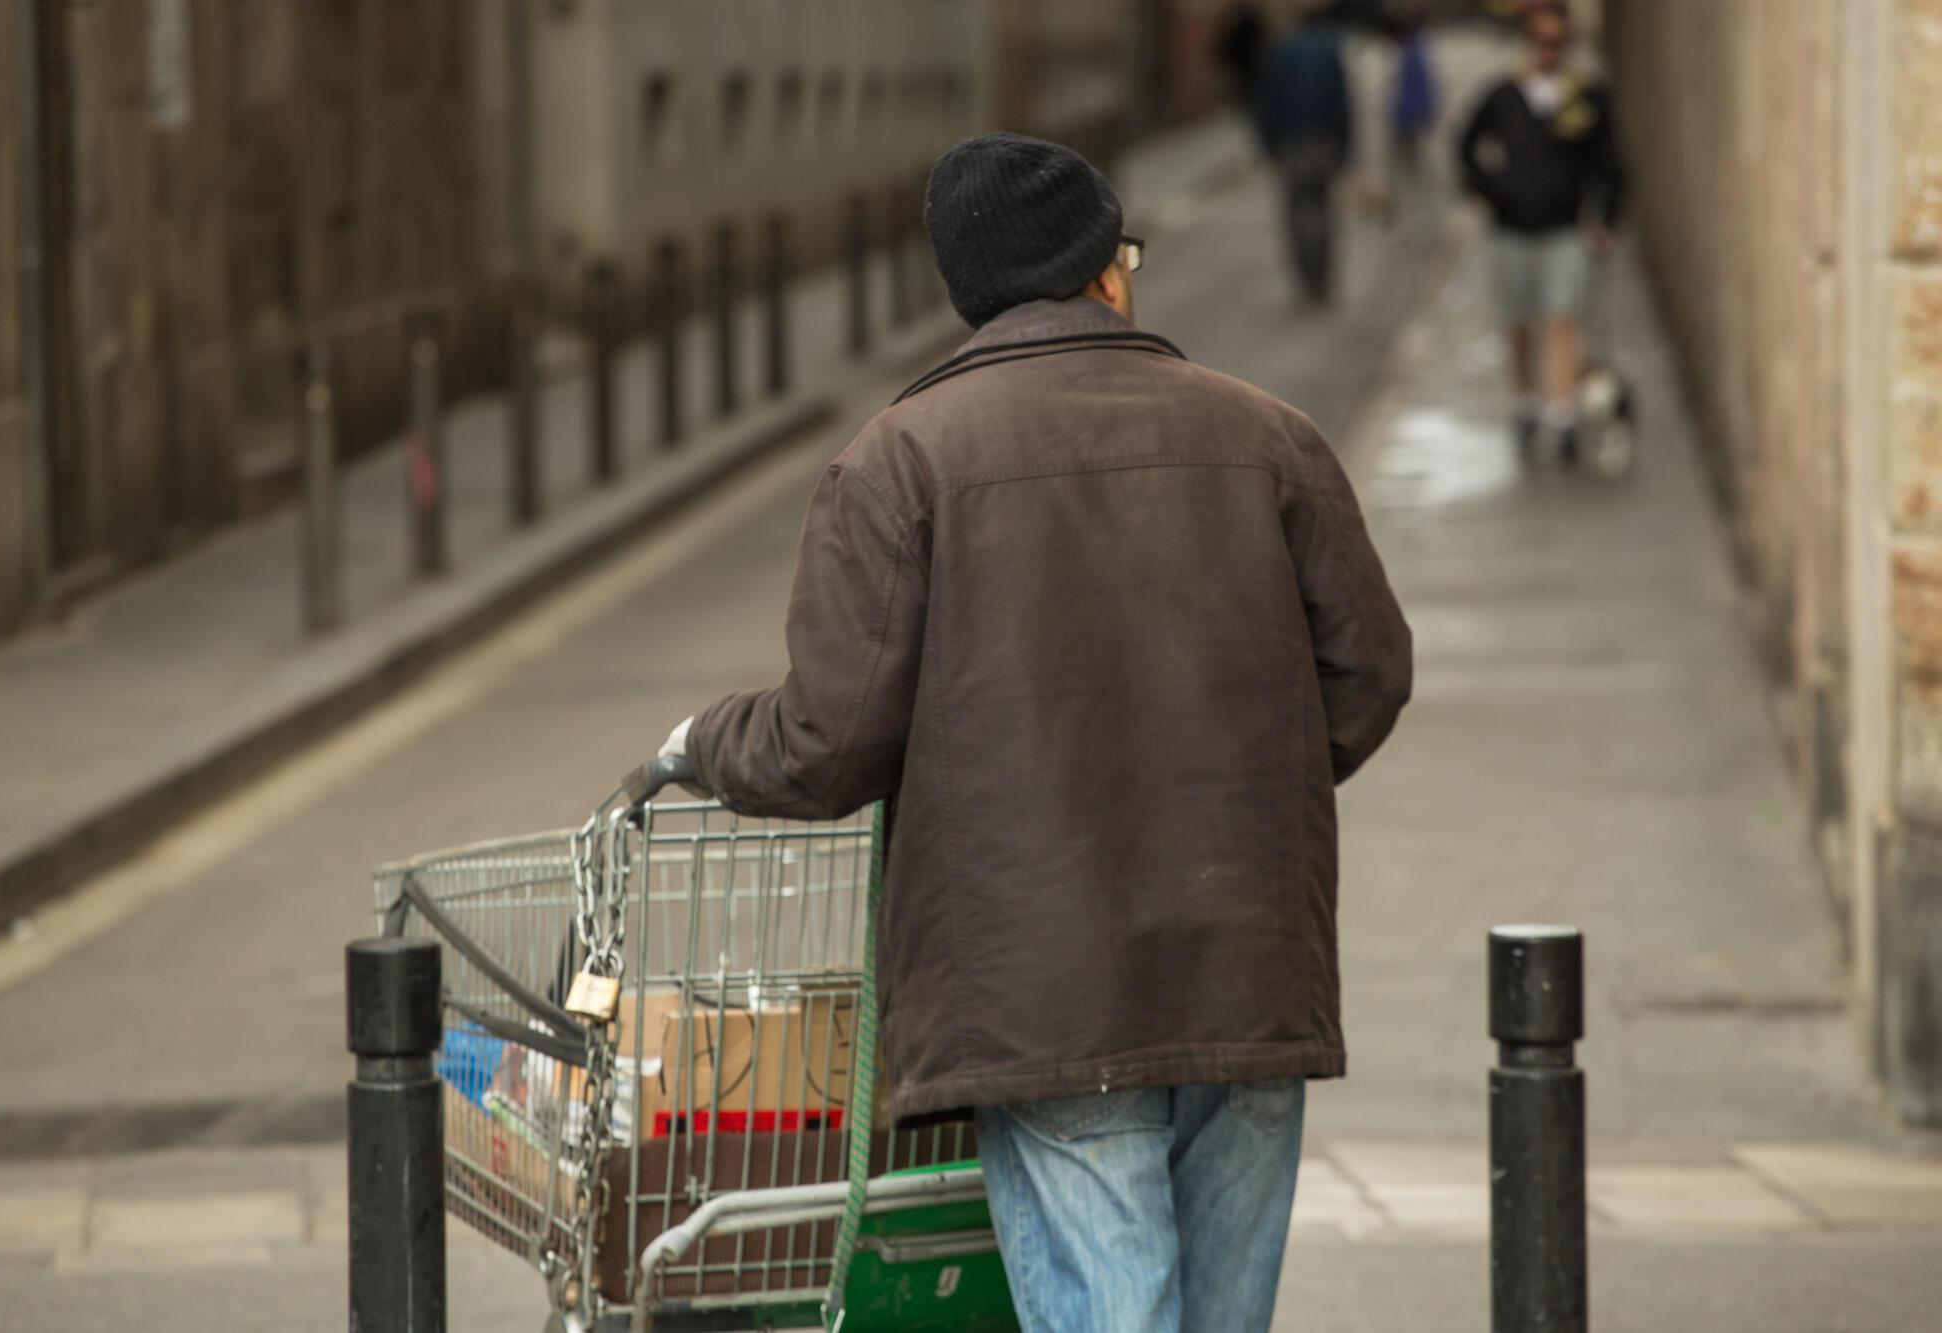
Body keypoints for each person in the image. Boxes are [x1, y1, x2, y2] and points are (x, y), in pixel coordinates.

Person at [656, 132, 1412, 1332]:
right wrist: (1232, 787)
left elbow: (823, 741)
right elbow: (1367, 672)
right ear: (1108, 270)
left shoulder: (897, 463)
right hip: (1247, 962)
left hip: (1045, 986)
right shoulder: (1270, 436)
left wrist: (698, 740)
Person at [1457, 0, 1624, 461]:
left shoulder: (1586, 96)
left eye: (1558, 43)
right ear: (1527, 43)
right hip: (1510, 230)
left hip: (1564, 228)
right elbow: (1467, 146)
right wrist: (1490, 191)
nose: (1550, 51)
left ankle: (1562, 413)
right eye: (1542, 42)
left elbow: (1609, 164)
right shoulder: (1503, 95)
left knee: (1561, 317)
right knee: (1519, 324)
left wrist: (1604, 220)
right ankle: (1527, 401)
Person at [1251, 1, 1353, 303]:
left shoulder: (1281, 52)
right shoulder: (1330, 50)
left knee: (1297, 212)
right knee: (1322, 209)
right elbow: (1342, 103)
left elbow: (1266, 103)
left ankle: (1307, 277)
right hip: (1323, 142)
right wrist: (1345, 146)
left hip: (1292, 144)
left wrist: (1268, 144)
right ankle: (1322, 275)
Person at [1385, 4, 1441, 228]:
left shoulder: (1413, 51)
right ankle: (1416, 213)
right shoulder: (1416, 48)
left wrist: (1420, 117)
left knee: (1414, 171)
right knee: (1413, 169)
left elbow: (1419, 88)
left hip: (1409, 121)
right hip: (1410, 119)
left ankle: (1418, 215)